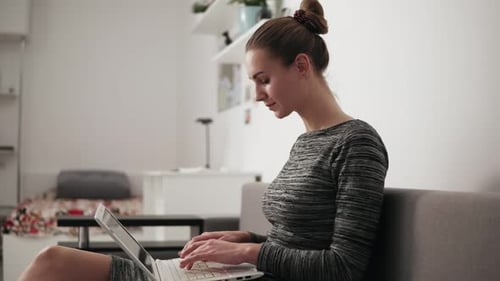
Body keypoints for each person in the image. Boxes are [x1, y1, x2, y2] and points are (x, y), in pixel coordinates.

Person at [18, 0, 388, 280]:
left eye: (264, 79)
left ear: (302, 66)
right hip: (254, 272)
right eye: (253, 83)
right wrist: (243, 237)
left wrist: (247, 253)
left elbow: (344, 266)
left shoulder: (357, 143)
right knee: (53, 259)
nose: (258, 94)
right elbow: (295, 240)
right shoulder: (306, 142)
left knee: (56, 265)